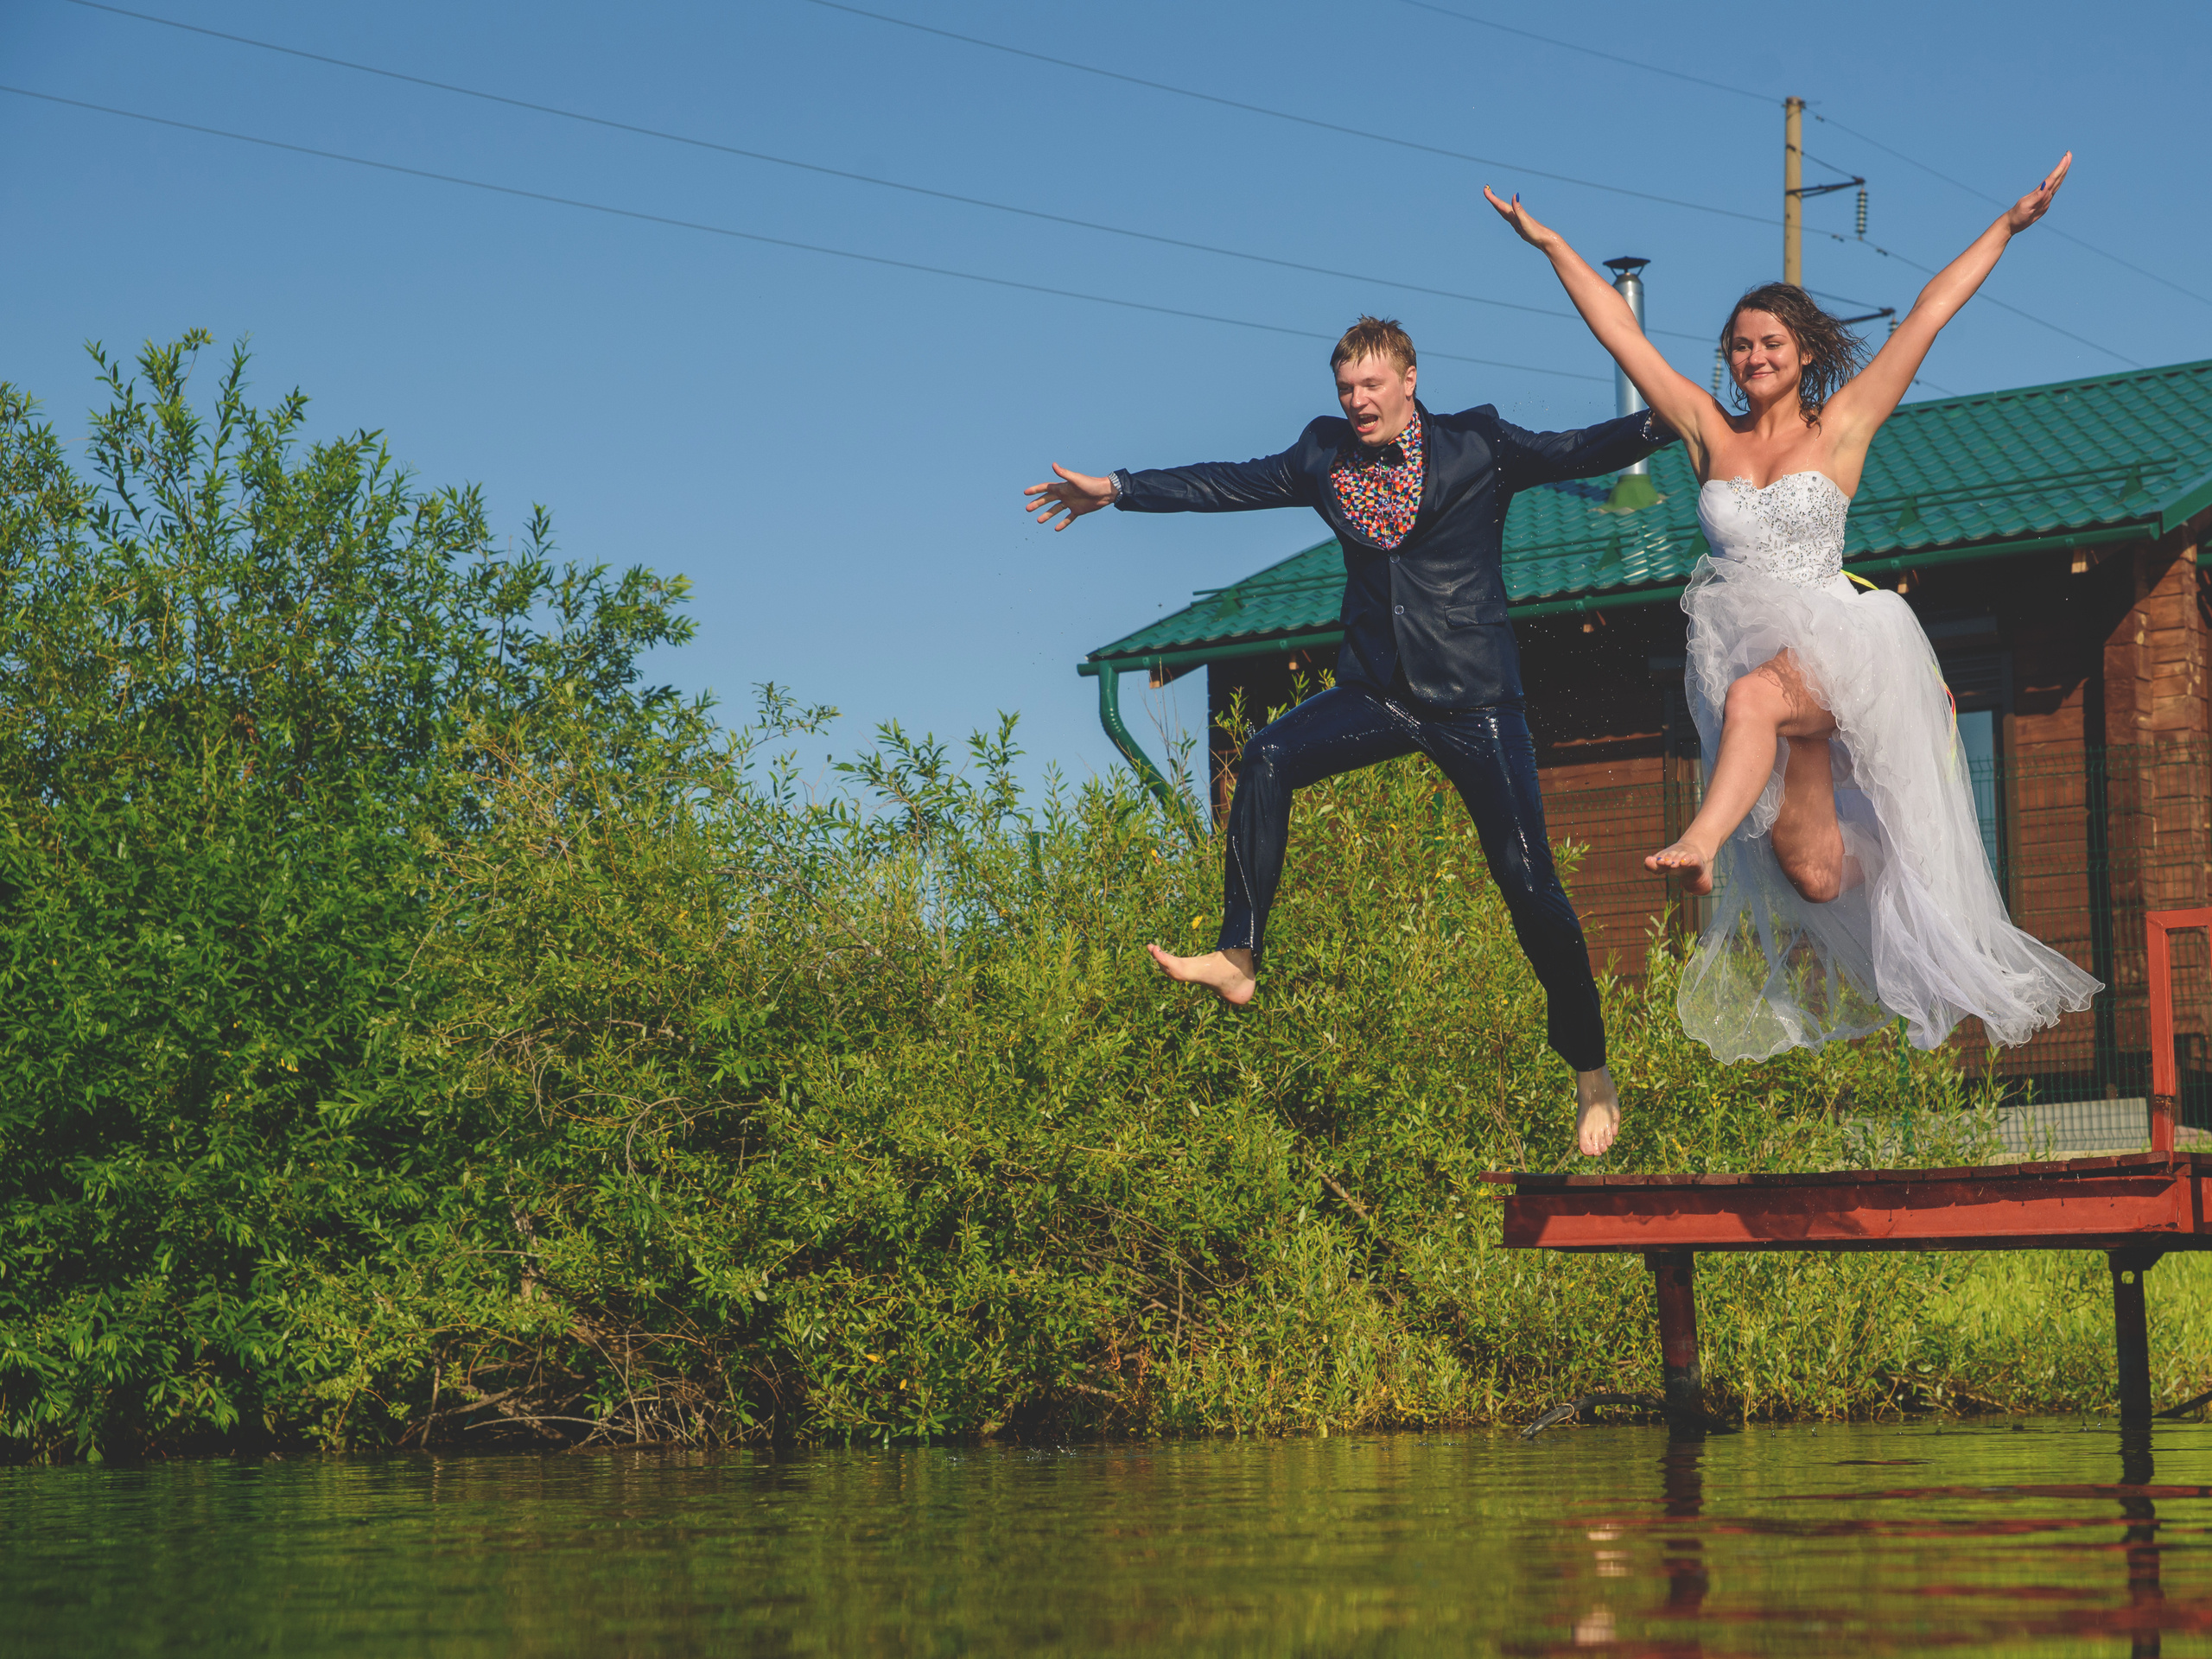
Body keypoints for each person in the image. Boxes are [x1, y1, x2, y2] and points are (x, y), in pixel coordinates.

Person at [1484, 156, 2101, 1062]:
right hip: (1754, 648)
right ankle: (1884, 867)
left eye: (1770, 342)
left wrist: (2006, 228)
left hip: (1839, 640)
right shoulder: (1706, 433)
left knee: (1751, 702)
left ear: (1804, 351)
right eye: (1739, 345)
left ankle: (1697, 840)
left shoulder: (1840, 426)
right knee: (1810, 873)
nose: (1753, 357)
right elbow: (1620, 333)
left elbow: (1928, 312)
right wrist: (1549, 244)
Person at [1023, 317, 1675, 1154]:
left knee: (1528, 886)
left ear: (1409, 378)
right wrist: (1118, 487)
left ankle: (1589, 1070)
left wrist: (1670, 418)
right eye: (1345, 389)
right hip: (1380, 691)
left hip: (1475, 700)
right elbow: (1228, 482)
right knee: (1266, 755)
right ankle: (1239, 953)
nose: (1356, 401)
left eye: (1370, 385)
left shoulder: (1478, 442)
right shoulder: (1322, 456)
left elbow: (1578, 449)